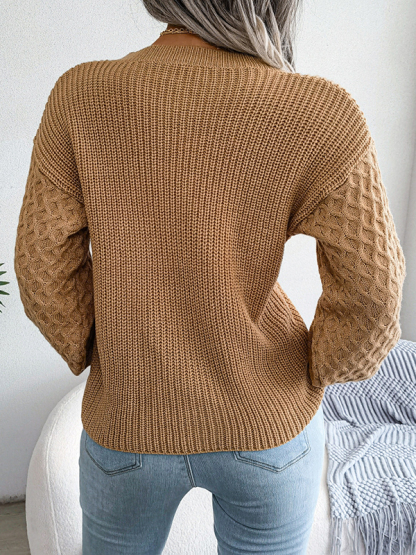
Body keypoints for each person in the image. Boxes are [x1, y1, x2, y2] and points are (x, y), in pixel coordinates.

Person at [14, 1, 406, 554]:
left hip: (128, 417)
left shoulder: (80, 96)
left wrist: (97, 348)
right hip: (267, 422)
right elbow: (375, 290)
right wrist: (320, 369)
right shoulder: (322, 112)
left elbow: (41, 267)